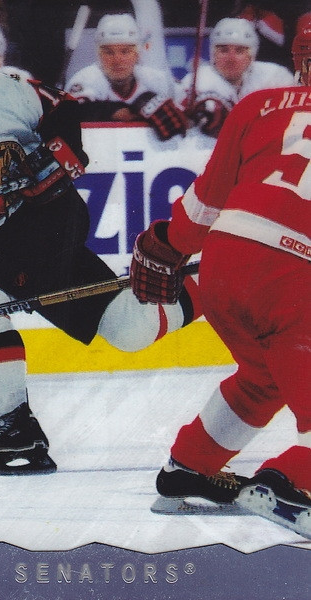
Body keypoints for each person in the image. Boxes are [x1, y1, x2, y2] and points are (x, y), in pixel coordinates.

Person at [0, 58, 200, 476]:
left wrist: (59, 153)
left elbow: (62, 106)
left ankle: (16, 427)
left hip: (51, 216)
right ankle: (216, 287)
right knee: (130, 330)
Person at [130, 14, 311, 538]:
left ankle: (189, 468)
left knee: (263, 378)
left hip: (225, 264)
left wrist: (163, 244)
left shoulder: (257, 104)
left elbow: (203, 207)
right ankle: (287, 484)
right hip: (295, 276)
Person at [65, 13, 186, 141]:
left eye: (125, 51)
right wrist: (112, 111)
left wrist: (196, 115)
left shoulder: (157, 80)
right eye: (109, 52)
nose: (117, 60)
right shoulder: (86, 79)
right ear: (99, 55)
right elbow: (72, 112)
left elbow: (188, 108)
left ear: (137, 54)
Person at [180, 17, 295, 137]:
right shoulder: (197, 81)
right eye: (224, 50)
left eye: (239, 51)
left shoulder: (273, 78)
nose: (231, 58)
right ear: (213, 54)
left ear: (251, 56)